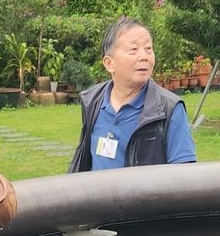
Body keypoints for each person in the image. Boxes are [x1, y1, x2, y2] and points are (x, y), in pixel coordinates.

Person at [68, 17, 197, 172]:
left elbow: (184, 175)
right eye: (133, 50)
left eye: (148, 49)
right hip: (100, 196)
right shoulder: (93, 101)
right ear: (109, 63)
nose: (144, 56)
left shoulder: (169, 109)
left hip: (144, 196)